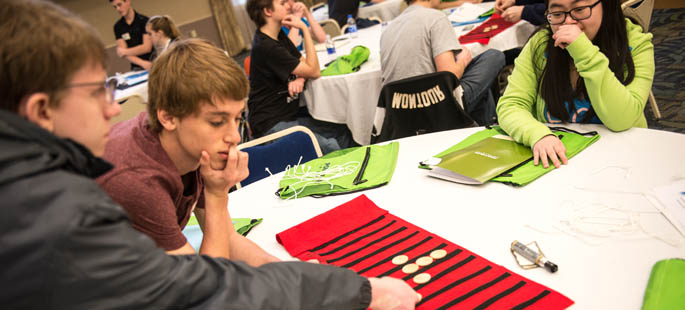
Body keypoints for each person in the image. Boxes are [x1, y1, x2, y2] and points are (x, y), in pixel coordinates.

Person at [0, 1, 418, 309]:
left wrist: (295, 270)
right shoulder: (133, 180)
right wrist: (356, 291)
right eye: (98, 92)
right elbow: (205, 291)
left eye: (237, 120)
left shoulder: (185, 145)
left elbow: (226, 247)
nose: (112, 108)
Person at [496, 0, 654, 168]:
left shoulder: (635, 44)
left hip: (622, 160)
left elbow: (622, 120)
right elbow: (511, 105)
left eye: (579, 10)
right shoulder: (540, 45)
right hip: (560, 161)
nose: (568, 22)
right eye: (557, 14)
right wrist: (538, 135)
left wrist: (583, 51)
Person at [246, 0, 354, 154]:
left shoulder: (278, 37)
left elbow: (306, 65)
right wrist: (303, 27)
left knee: (343, 130)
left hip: (286, 117)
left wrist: (301, 76)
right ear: (268, 12)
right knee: (330, 145)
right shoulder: (266, 47)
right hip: (270, 125)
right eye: (282, 3)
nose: (288, 5)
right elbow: (314, 71)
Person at [380, 0, 506, 126]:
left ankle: (482, 129)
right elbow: (449, 76)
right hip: (436, 106)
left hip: (400, 113)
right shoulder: (435, 18)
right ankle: (487, 130)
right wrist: (463, 60)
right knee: (494, 56)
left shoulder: (388, 29)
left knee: (482, 90)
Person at [110, 0, 153, 70]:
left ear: (128, 1)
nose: (118, 9)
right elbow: (123, 51)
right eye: (115, 7)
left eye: (119, 5)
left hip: (152, 62)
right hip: (136, 67)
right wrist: (142, 63)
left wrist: (125, 51)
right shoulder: (117, 27)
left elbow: (147, 48)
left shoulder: (144, 21)